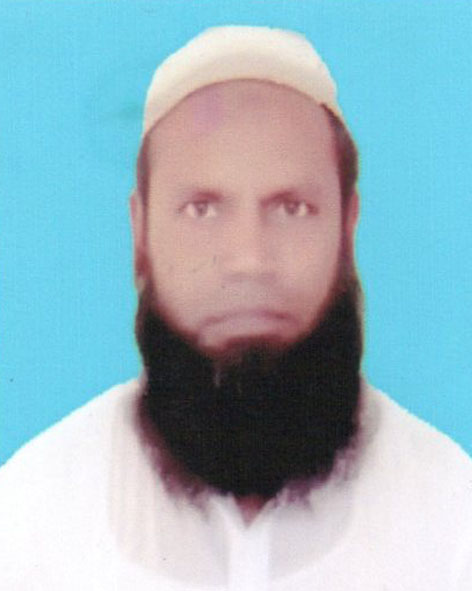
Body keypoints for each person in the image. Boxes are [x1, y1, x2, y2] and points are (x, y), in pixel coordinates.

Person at [1, 26, 471, 590]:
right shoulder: (28, 518)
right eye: (202, 209)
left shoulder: (454, 517)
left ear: (347, 229)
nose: (249, 259)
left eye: (292, 208)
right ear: (140, 234)